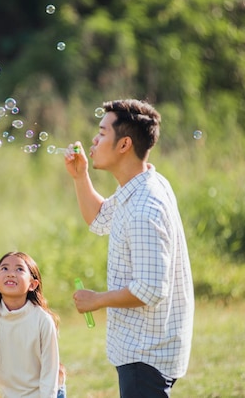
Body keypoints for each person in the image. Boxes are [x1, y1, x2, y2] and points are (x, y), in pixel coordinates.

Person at [64, 99, 194, 397]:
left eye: (101, 133)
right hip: (144, 349)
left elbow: (149, 289)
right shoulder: (141, 184)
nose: (93, 141)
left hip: (145, 353)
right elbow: (99, 218)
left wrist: (96, 300)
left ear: (123, 144)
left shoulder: (144, 208)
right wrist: (80, 176)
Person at [0, 251, 61, 398]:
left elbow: (50, 371)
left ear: (32, 284)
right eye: (4, 268)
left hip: (48, 393)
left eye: (19, 269)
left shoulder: (42, 320)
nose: (11, 273)